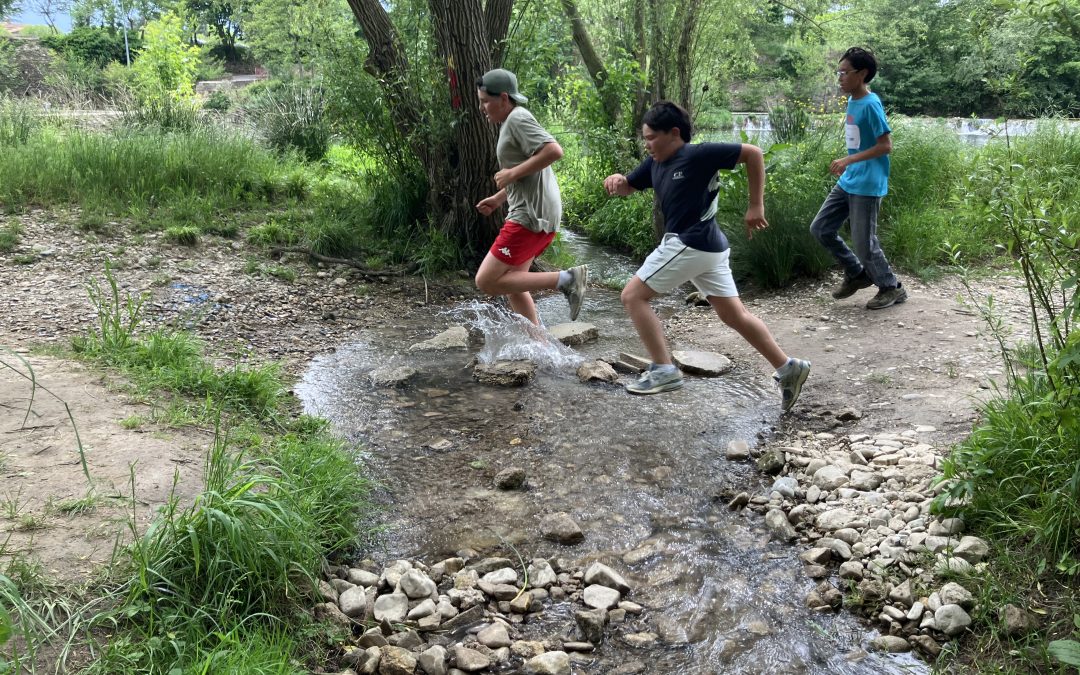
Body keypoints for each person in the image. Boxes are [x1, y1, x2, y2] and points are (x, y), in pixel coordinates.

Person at [603, 101, 810, 411]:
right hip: (709, 248)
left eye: (650, 138)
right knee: (733, 315)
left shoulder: (698, 154)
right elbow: (628, 187)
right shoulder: (655, 163)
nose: (647, 145)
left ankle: (663, 370)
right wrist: (618, 179)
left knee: (632, 296)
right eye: (644, 138)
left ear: (674, 133)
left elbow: (753, 153)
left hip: (692, 241)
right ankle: (788, 367)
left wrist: (756, 205)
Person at [473, 68, 587, 325]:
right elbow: (531, 169)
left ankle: (568, 279)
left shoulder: (517, 119)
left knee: (487, 280)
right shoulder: (511, 122)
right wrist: (500, 197)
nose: (482, 108)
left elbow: (553, 151)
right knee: (514, 284)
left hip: (530, 215)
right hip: (535, 211)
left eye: (485, 101)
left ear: (504, 98)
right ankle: (539, 345)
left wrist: (511, 173)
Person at [810, 46, 905, 310]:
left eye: (844, 72)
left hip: (868, 183)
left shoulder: (871, 104)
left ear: (862, 74)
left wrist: (848, 159)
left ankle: (891, 287)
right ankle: (857, 273)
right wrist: (850, 162)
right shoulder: (853, 100)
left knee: (865, 243)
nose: (839, 78)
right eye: (838, 72)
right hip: (850, 178)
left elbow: (885, 145)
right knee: (820, 228)